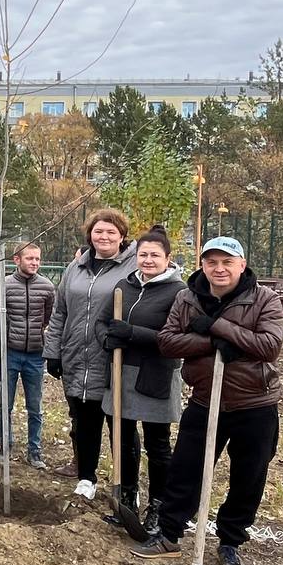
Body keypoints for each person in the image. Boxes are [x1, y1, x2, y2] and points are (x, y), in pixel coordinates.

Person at [132, 237, 283, 565]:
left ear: (242, 265)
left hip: (254, 403)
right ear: (202, 265)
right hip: (204, 398)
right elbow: (167, 342)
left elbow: (269, 346)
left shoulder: (263, 299)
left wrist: (218, 326)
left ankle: (230, 541)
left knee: (249, 476)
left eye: (227, 262)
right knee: (185, 471)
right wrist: (211, 342)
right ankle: (169, 535)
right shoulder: (188, 299)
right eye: (212, 262)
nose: (219, 269)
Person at [95, 226, 186, 533]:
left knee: (157, 444)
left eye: (155, 255)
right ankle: (128, 500)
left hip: (155, 375)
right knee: (122, 439)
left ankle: (159, 507)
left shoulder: (178, 292)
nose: (148, 260)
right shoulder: (124, 286)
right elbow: (102, 321)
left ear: (168, 258)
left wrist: (132, 333)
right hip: (121, 372)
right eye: (143, 254)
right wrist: (107, 339)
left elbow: (176, 338)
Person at [43, 209, 137, 501]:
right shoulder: (77, 267)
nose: (104, 237)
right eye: (99, 231)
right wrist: (53, 351)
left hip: (113, 358)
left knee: (121, 426)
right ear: (89, 235)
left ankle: (128, 487)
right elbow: (60, 311)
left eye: (111, 232)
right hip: (77, 356)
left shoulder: (134, 266)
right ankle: (86, 478)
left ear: (122, 236)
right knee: (85, 422)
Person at [0, 241, 56, 470]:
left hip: (35, 354)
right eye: (30, 258)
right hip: (11, 353)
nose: (34, 263)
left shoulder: (47, 287)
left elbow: (48, 317)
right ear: (17, 260)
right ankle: (5, 446)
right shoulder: (4, 285)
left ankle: (34, 450)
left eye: (37, 259)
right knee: (5, 404)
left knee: (35, 406)